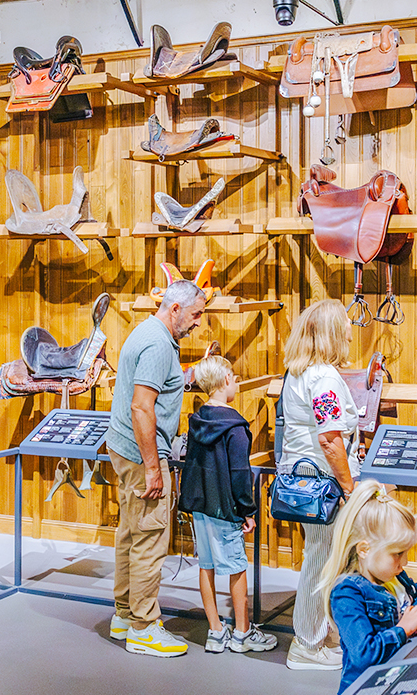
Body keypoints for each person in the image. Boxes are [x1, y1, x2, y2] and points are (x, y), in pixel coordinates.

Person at [106, 278, 208, 657]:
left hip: (125, 447)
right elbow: (141, 406)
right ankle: (144, 628)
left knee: (131, 533)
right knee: (150, 538)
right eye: (195, 314)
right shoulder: (157, 345)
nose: (198, 322)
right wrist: (153, 466)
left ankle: (124, 614)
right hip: (142, 454)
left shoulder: (149, 332)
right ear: (175, 308)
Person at [278, 299, 361, 670]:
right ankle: (307, 644)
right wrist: (349, 487)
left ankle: (320, 635)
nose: (350, 330)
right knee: (322, 559)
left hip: (308, 476)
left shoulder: (299, 371)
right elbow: (329, 439)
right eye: (345, 324)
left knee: (324, 556)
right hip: (324, 481)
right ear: (332, 332)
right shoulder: (324, 377)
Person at [177, 355, 278, 655]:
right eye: (233, 377)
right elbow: (240, 474)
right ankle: (243, 633)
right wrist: (247, 511)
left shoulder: (197, 420)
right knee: (237, 567)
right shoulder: (235, 426)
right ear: (224, 381)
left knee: (206, 565)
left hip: (200, 507)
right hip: (226, 509)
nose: (235, 382)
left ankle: (215, 631)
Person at [319, 480, 417, 691]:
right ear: (364, 550)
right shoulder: (347, 593)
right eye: (398, 554)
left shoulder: (394, 577)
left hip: (402, 684)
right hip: (367, 694)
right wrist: (404, 629)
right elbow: (364, 654)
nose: (404, 563)